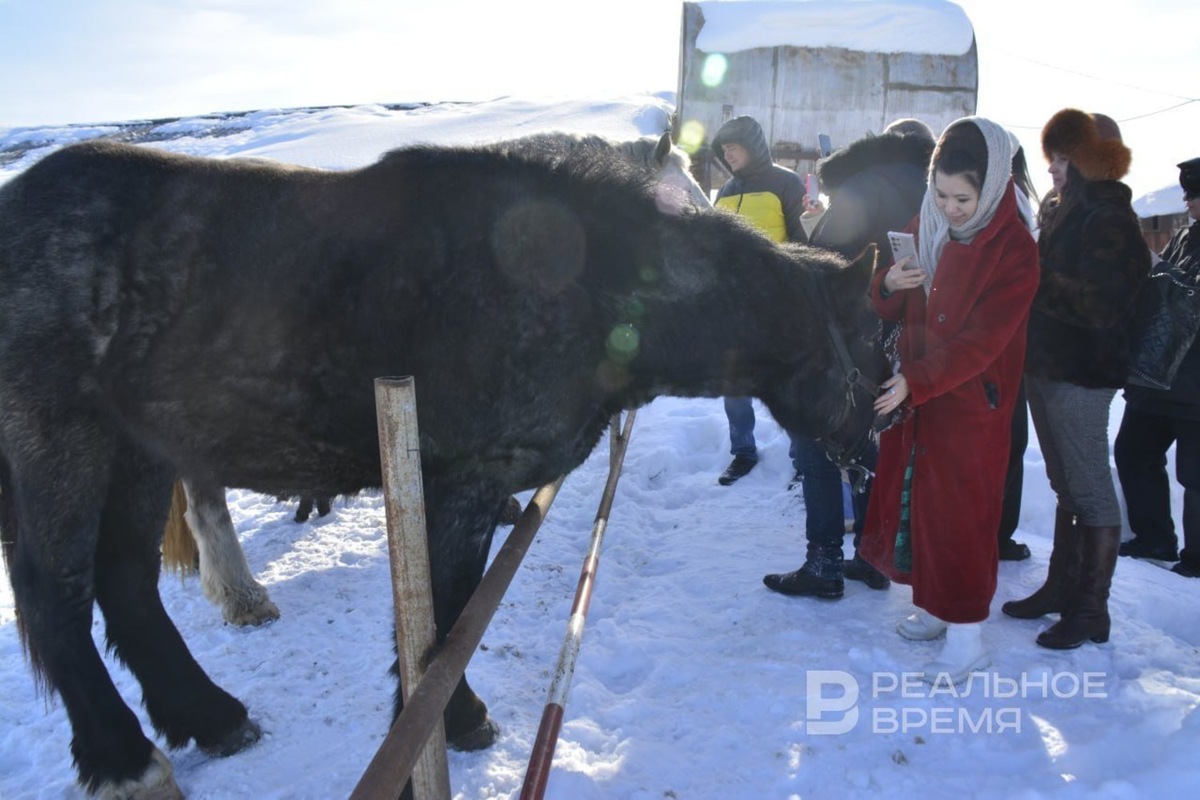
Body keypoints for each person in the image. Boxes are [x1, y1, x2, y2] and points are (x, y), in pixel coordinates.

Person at [857, 117, 1039, 683]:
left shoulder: (1015, 248)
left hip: (970, 402)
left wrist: (920, 379)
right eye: (941, 194)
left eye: (963, 197)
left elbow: (983, 342)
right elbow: (885, 296)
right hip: (923, 392)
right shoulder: (928, 221)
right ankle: (936, 609)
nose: (951, 208)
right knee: (921, 504)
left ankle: (968, 637)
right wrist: (891, 284)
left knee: (963, 515)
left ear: (991, 188)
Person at [763, 118, 935, 598]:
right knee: (866, 442)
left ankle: (824, 563)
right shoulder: (935, 192)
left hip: (841, 341)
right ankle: (870, 554)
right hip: (899, 340)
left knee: (817, 442)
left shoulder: (863, 185)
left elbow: (821, 266)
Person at [1001, 109, 1150, 650]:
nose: (1054, 170)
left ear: (1090, 161)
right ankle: (1062, 588)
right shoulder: (1065, 210)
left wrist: (1033, 277)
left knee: (1089, 487)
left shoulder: (1108, 217)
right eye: (1053, 158)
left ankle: (1091, 609)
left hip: (1084, 373)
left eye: (1064, 159)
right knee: (1067, 485)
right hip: (1049, 367)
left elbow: (1103, 304)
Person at [709, 115, 808, 486]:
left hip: (778, 308)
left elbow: (802, 244)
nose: (726, 153)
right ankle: (743, 451)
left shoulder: (786, 183)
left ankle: (803, 459)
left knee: (789, 384)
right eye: (723, 148)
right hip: (735, 310)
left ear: (752, 145)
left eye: (732, 146)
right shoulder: (725, 193)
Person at [1113, 157, 1200, 577]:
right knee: (1132, 451)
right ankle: (1155, 539)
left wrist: (1160, 272)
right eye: (1188, 194)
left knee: (1196, 477)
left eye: (1195, 195)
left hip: (1195, 383)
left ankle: (1197, 561)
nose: (1189, 201)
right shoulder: (1185, 236)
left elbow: (1189, 299)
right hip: (1158, 377)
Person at [996, 141, 1042, 562]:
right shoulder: (1016, 198)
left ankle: (995, 534)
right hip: (1011, 344)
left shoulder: (1008, 197)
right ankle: (997, 534)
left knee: (1007, 440)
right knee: (1007, 440)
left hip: (1005, 343)